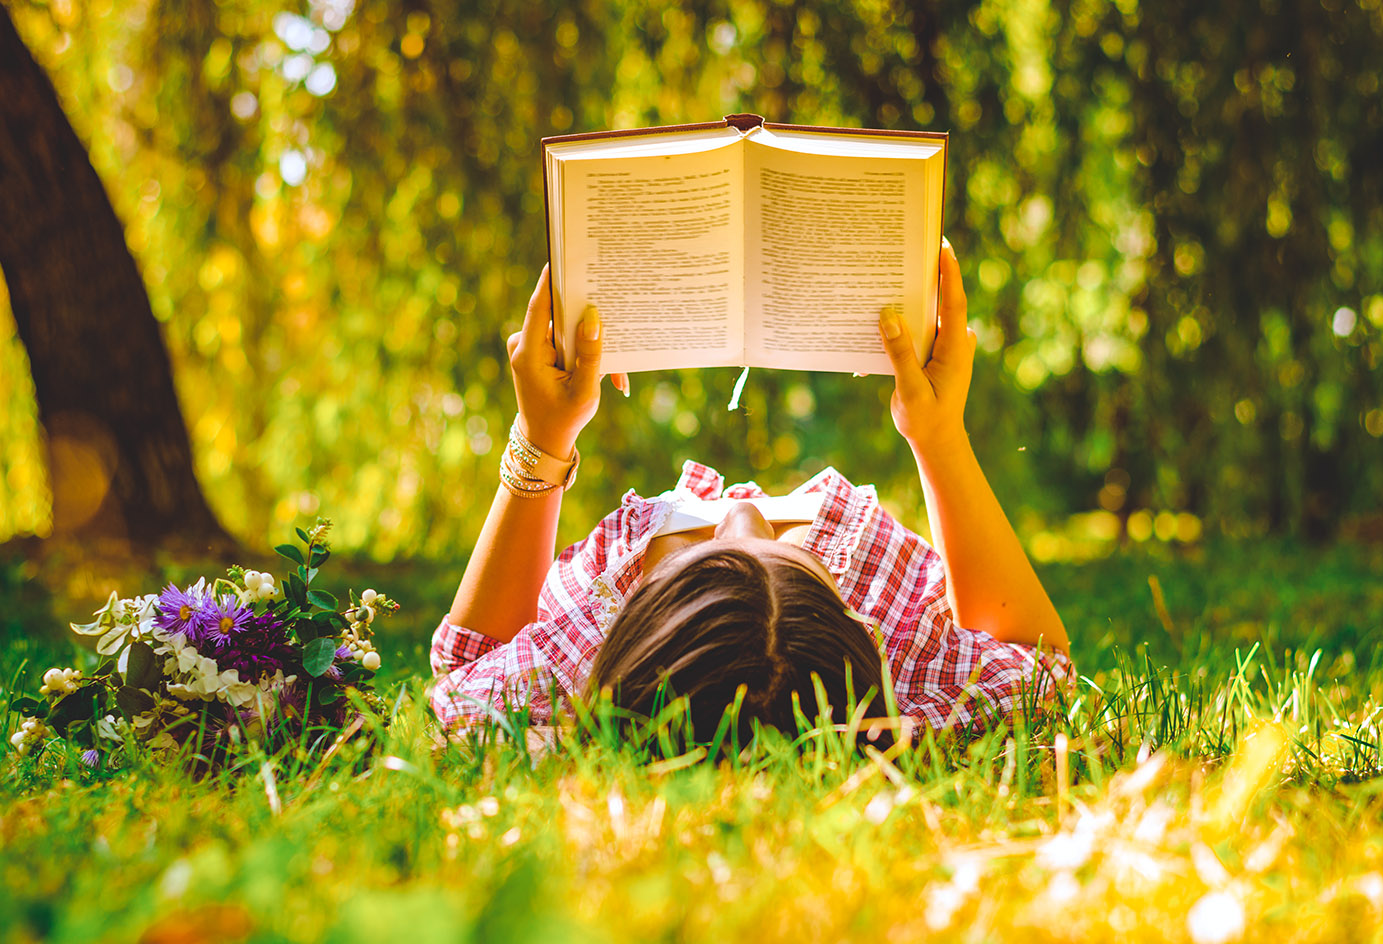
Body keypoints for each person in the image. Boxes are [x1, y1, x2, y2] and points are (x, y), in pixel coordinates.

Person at [428, 240, 1072, 741]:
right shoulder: (891, 642)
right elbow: (1039, 670)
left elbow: (467, 671)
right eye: (786, 551)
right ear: (850, 619)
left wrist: (540, 437)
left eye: (700, 558)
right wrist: (939, 436)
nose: (740, 509)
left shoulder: (584, 658)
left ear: (639, 622)